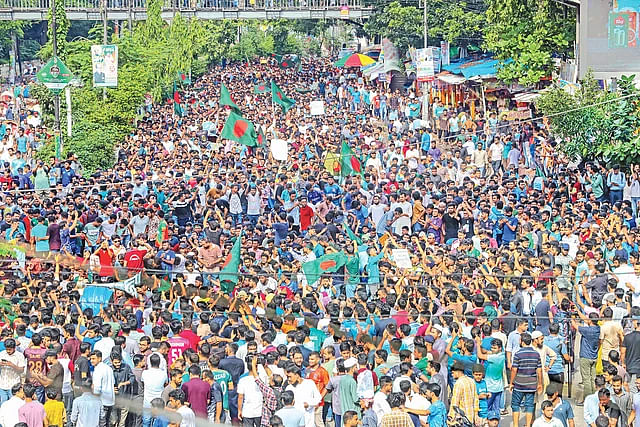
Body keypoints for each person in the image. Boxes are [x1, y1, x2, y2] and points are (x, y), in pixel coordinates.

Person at [509, 332, 542, 427]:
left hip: (519, 384)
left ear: (522, 341)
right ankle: (528, 425)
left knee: (515, 405)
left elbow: (514, 370)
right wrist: (540, 383)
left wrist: (511, 383)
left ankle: (515, 425)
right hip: (531, 385)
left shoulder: (518, 354)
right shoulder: (536, 354)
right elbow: (539, 370)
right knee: (529, 406)